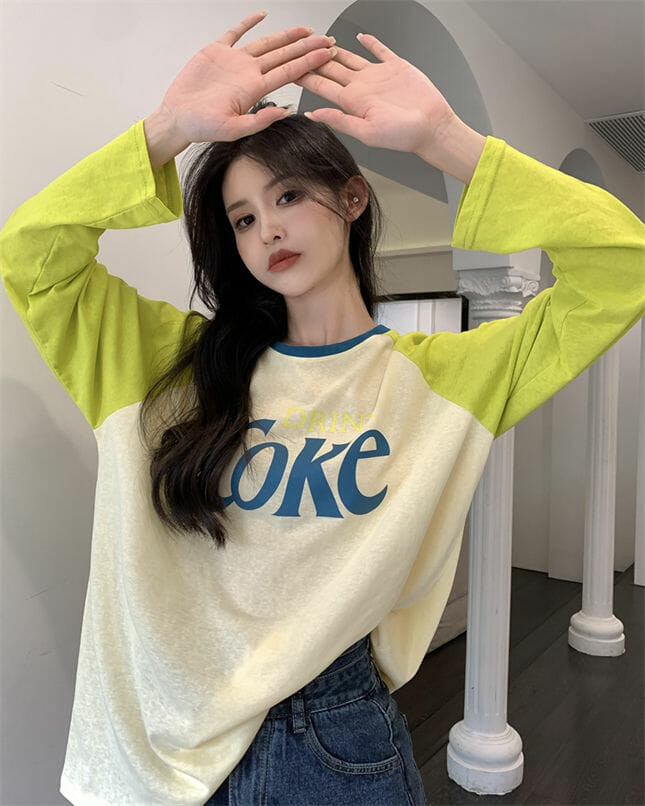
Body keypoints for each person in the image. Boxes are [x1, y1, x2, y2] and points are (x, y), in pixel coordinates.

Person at [0, 9, 643, 806]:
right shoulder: (158, 362)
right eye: (243, 218)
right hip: (158, 744)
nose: (267, 229)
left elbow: (621, 268)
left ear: (352, 198)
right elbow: (31, 254)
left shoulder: (445, 378)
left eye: (288, 195)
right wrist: (168, 130)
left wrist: (446, 139)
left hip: (333, 742)